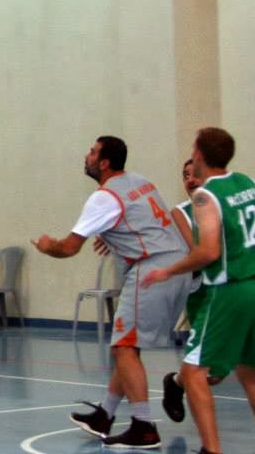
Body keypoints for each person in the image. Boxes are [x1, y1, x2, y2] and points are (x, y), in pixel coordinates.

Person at [32, 135, 191, 449]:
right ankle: (104, 414)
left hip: (151, 269)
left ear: (104, 163)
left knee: (124, 348)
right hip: (178, 266)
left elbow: (69, 247)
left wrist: (49, 247)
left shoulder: (104, 198)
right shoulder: (139, 181)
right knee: (127, 346)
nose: (86, 156)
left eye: (92, 152)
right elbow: (148, 221)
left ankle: (144, 426)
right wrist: (113, 233)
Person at [142, 128, 255, 454]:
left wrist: (167, 271)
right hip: (252, 284)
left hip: (228, 290)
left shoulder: (207, 197)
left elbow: (206, 252)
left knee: (194, 373)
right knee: (249, 371)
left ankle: (211, 450)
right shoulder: (247, 183)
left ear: (201, 155)